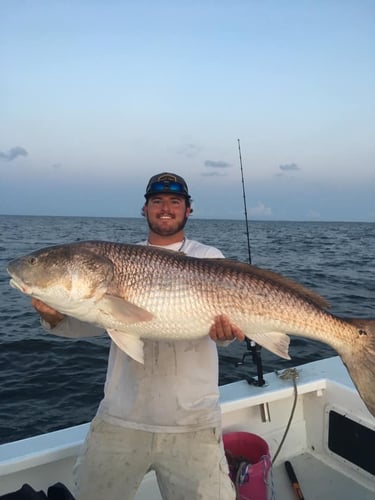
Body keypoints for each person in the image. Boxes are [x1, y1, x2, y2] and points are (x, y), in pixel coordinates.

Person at [32, 172, 245, 500]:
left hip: (192, 418)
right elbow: (96, 321)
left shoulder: (209, 257)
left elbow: (222, 330)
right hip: (121, 415)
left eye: (175, 202)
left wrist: (225, 335)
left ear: (188, 210)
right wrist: (54, 316)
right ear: (144, 209)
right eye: (157, 201)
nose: (165, 208)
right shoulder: (118, 260)